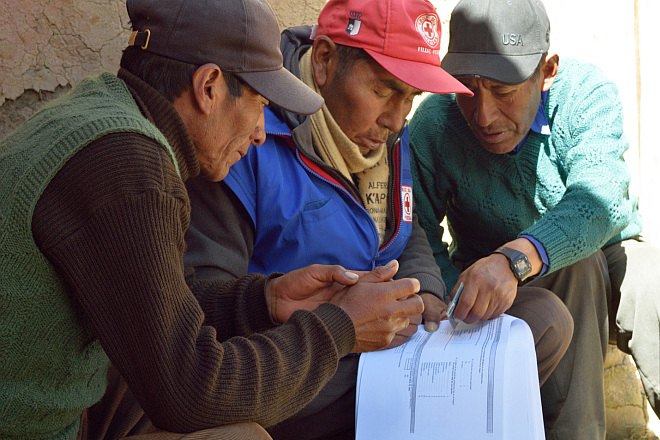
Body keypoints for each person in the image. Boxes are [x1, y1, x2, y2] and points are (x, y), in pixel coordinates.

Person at [0, 0, 428, 438]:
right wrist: (339, 330)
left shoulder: (102, 114)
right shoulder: (129, 168)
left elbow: (154, 311)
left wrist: (264, 300)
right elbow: (191, 396)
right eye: (260, 104)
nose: (262, 131)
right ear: (208, 87)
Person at [184, 0, 574, 438]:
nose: (396, 117)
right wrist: (336, 324)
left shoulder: (385, 135)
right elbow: (207, 308)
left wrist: (426, 290)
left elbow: (406, 231)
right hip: (307, 369)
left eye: (410, 98)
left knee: (542, 319)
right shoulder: (247, 135)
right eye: (385, 90)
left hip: (389, 347)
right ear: (327, 61)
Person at [408, 0, 660, 438]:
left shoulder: (587, 95)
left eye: (503, 92)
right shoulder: (434, 123)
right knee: (575, 273)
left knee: (651, 286)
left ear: (547, 72)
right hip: (493, 278)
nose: (483, 115)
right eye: (467, 89)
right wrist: (449, 296)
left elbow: (598, 201)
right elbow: (419, 238)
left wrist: (517, 258)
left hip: (604, 247)